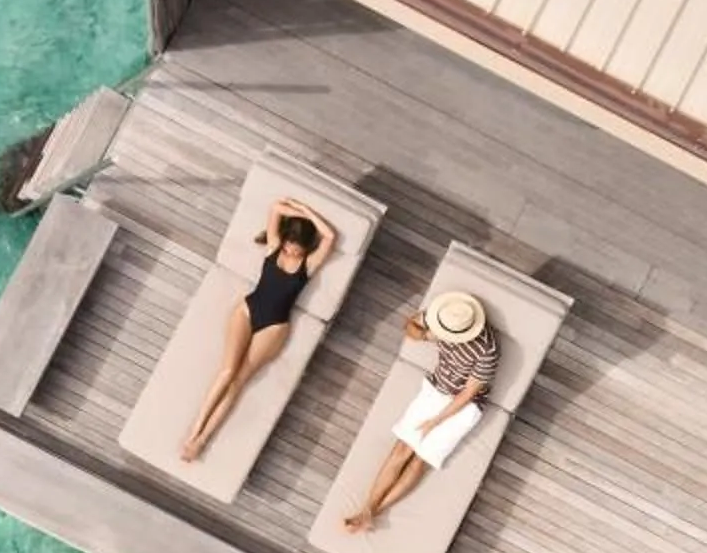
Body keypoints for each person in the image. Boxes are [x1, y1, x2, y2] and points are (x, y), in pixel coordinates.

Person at [181, 197, 335, 461]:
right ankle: (194, 430)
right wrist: (297, 213)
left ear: (307, 248)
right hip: (246, 310)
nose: (292, 252)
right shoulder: (274, 246)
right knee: (227, 371)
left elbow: (329, 236)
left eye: (298, 250)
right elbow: (275, 207)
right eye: (290, 247)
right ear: (285, 239)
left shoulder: (309, 264)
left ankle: (201, 441)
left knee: (238, 381)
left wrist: (308, 213)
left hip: (273, 327)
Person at [342, 290, 499, 532]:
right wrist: (423, 333)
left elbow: (467, 394)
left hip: (464, 406)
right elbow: (411, 325)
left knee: (419, 461)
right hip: (436, 389)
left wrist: (434, 422)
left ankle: (371, 512)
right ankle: (368, 512)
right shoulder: (443, 317)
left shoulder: (487, 349)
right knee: (402, 449)